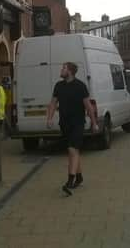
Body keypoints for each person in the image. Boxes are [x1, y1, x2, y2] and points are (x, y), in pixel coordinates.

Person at [47, 62, 98, 196]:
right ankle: (79, 177)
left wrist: (94, 123)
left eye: (63, 68)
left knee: (72, 149)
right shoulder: (58, 86)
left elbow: (88, 106)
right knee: (74, 151)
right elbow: (53, 103)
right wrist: (50, 118)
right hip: (64, 124)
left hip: (78, 123)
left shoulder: (80, 86)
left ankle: (70, 181)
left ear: (70, 71)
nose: (61, 70)